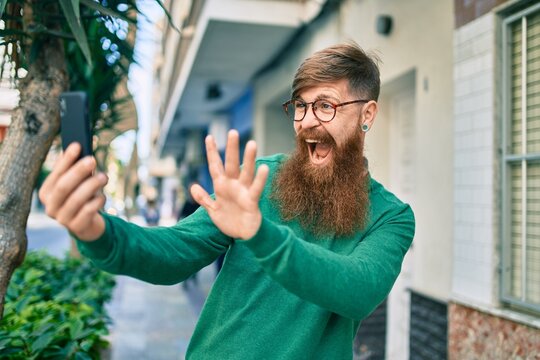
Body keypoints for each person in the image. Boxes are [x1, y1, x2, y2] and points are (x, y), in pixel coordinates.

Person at [39, 41, 415, 359]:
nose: (307, 121)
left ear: (367, 114)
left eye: (326, 105)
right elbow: (173, 253)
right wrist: (98, 230)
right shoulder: (255, 180)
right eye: (300, 106)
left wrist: (259, 233)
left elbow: (358, 290)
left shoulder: (391, 216)